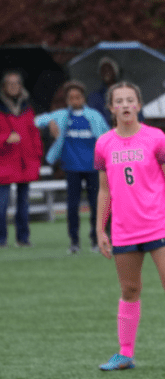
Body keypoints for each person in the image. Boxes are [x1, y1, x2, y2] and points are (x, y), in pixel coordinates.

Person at [94, 81, 165, 371]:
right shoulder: (103, 143)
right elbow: (104, 190)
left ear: (139, 105)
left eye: (130, 100)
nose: (125, 105)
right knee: (130, 289)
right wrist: (100, 229)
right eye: (119, 101)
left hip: (159, 224)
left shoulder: (156, 138)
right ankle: (125, 354)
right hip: (124, 229)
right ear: (111, 108)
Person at [35, 80, 110, 253]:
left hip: (93, 167)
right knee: (72, 206)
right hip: (72, 167)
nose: (75, 100)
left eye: (78, 97)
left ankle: (96, 240)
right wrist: (50, 124)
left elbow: (107, 135)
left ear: (83, 98)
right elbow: (37, 120)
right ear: (67, 100)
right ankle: (74, 241)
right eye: (71, 97)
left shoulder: (94, 116)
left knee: (96, 204)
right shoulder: (62, 116)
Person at [0, 70, 43, 248]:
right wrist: (4, 138)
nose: (13, 86)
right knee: (1, 205)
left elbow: (34, 134)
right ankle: (1, 239)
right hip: (4, 162)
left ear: (20, 85)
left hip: (25, 162)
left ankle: (23, 238)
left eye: (16, 83)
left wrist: (37, 156)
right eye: (9, 83)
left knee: (23, 205)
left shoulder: (27, 108)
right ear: (3, 87)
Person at [86, 57, 119, 126]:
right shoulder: (94, 97)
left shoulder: (126, 93)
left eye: (109, 69)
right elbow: (92, 119)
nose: (106, 72)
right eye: (103, 70)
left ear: (115, 71)